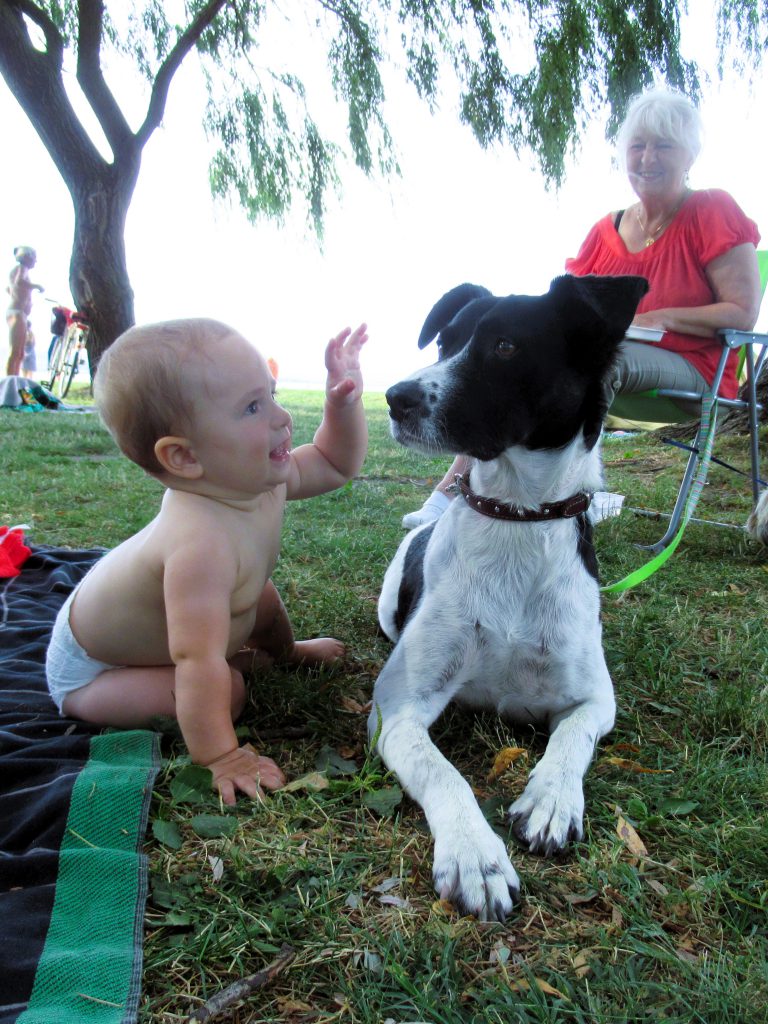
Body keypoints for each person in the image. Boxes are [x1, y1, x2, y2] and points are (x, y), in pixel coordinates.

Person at [402, 86, 762, 529]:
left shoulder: (713, 210)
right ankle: (464, 489)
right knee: (518, 364)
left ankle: (571, 499)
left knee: (602, 366)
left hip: (699, 368)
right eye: (638, 146)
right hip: (628, 361)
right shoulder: (604, 230)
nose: (648, 158)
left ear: (690, 155)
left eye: (663, 146)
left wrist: (659, 318)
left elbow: (742, 313)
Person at [46, 317, 368, 805]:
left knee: (258, 594)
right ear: (184, 457)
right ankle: (231, 684)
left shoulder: (261, 478)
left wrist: (340, 404)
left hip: (161, 628)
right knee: (228, 690)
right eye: (253, 407)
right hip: (95, 671)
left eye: (272, 394)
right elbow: (195, 662)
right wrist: (221, 756)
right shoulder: (198, 547)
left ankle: (284, 652)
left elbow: (333, 462)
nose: (282, 418)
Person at [6, 246, 44, 377]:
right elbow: (19, 281)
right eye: (34, 258)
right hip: (16, 312)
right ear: (27, 257)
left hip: (19, 312)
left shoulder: (20, 270)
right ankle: (10, 381)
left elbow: (9, 288)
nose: (35, 261)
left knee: (20, 352)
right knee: (15, 351)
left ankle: (15, 379)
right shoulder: (22, 269)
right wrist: (36, 286)